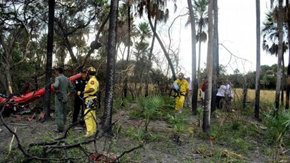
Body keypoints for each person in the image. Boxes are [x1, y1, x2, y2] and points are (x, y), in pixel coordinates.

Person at [53, 67, 74, 133]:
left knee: (59, 112)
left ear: (58, 72)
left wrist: (53, 85)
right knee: (64, 112)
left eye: (55, 71)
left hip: (59, 97)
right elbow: (72, 88)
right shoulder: (67, 79)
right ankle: (63, 126)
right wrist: (67, 94)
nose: (55, 72)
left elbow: (56, 86)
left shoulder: (57, 78)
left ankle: (60, 128)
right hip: (65, 97)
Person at [82, 67, 99, 137]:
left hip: (90, 99)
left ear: (88, 73)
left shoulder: (92, 80)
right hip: (92, 99)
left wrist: (84, 91)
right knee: (92, 114)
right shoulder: (93, 79)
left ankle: (89, 132)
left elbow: (92, 89)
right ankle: (93, 130)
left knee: (87, 115)